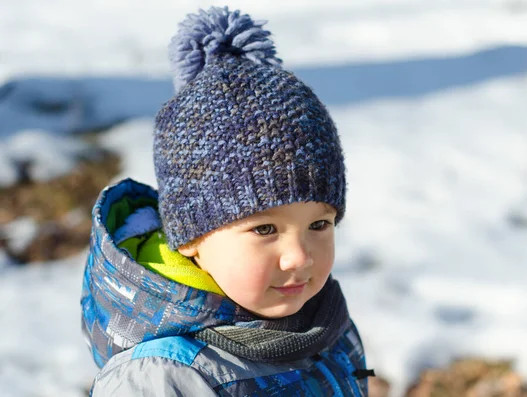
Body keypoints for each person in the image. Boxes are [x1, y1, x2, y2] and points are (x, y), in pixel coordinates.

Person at [81, 6, 372, 396]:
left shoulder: (323, 319)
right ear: (191, 238)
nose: (300, 257)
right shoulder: (163, 377)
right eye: (265, 228)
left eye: (318, 224)